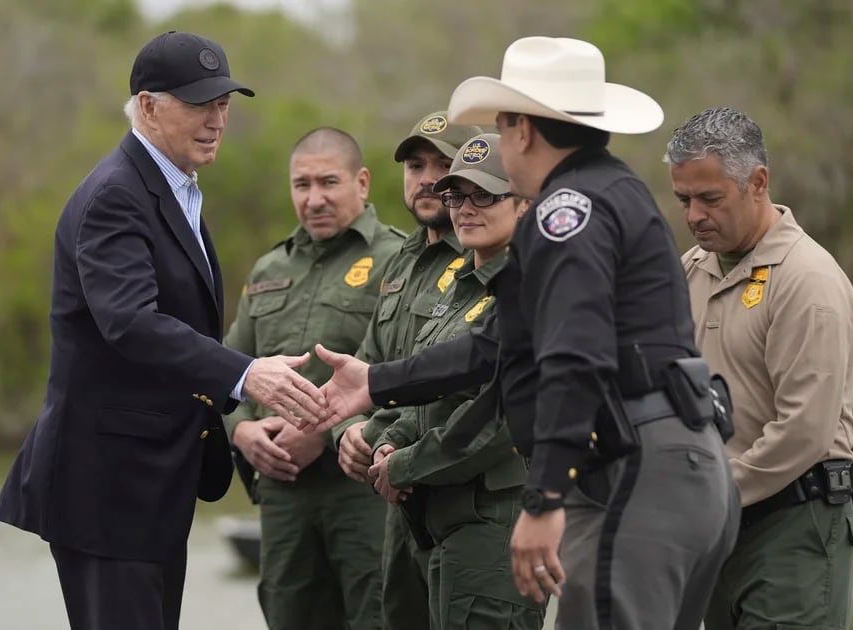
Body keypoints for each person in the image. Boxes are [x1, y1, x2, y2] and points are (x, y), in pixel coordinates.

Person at [304, 36, 740, 629]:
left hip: (635, 470)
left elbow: (572, 359)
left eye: (501, 129)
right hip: (683, 465)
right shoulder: (613, 191)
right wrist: (375, 382)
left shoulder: (567, 214)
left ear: (522, 132)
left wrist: (544, 499)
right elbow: (502, 345)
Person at [0, 31, 325, 630]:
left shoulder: (175, 187)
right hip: (106, 492)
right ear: (147, 106)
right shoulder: (116, 196)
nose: (217, 120)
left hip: (148, 492)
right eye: (199, 104)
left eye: (224, 104)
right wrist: (246, 374)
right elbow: (131, 322)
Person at [666, 106, 853, 630]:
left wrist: (710, 494)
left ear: (758, 182)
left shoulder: (808, 280)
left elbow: (806, 430)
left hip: (793, 525)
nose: (694, 216)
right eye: (684, 199)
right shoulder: (691, 270)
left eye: (710, 199)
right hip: (715, 527)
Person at [221, 127, 406, 630]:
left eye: (329, 182)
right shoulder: (268, 268)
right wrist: (240, 429)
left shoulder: (403, 262)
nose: (314, 198)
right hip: (283, 494)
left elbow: (412, 373)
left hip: (362, 486)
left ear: (362, 182)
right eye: (302, 185)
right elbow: (226, 369)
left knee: (377, 614)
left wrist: (323, 433)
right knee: (287, 615)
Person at [368, 132, 546, 629]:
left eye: (485, 195)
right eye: (456, 195)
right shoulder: (457, 286)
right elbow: (428, 387)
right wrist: (389, 440)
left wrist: (404, 465)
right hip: (436, 520)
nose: (465, 208)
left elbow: (499, 422)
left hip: (497, 520)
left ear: (526, 205)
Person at [329, 110, 481, 630]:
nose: (428, 179)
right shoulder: (402, 259)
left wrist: (381, 439)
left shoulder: (487, 259)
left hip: (466, 496)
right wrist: (350, 434)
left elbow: (466, 385)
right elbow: (370, 369)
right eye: (416, 165)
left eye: (444, 165)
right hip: (397, 500)